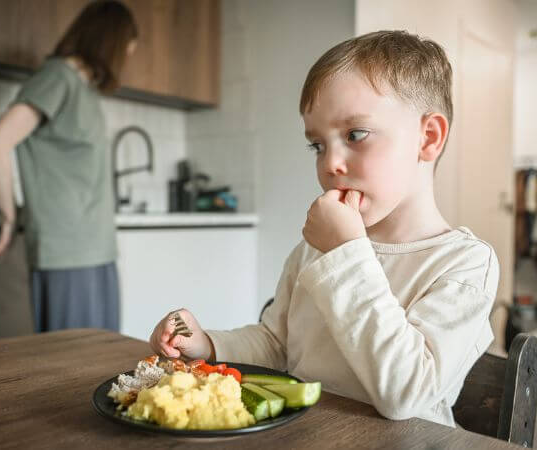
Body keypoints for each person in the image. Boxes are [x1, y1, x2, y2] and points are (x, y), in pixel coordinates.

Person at [148, 30, 500, 427]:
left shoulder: (464, 264)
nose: (330, 163)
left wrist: (346, 252)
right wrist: (209, 344)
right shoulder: (318, 249)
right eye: (317, 145)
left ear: (427, 138)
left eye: (355, 135)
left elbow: (405, 394)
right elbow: (276, 344)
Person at [0, 1, 138, 332]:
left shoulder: (82, 89)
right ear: (110, 43)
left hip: (95, 249)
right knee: (74, 368)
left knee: (102, 363)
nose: (126, 61)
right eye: (127, 50)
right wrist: (10, 217)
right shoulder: (58, 77)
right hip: (68, 250)